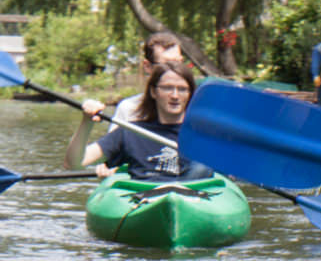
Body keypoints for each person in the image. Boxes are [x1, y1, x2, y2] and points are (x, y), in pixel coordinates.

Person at [64, 62, 214, 182]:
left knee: (202, 168)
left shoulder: (204, 135)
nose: (175, 95)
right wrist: (87, 122)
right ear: (154, 92)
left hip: (193, 198)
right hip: (143, 199)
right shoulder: (130, 132)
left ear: (190, 94)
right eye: (167, 88)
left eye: (182, 89)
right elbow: (74, 163)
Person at [112, 32, 183, 122]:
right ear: (147, 66)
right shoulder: (129, 109)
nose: (174, 71)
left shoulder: (194, 108)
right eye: (167, 65)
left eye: (178, 63)